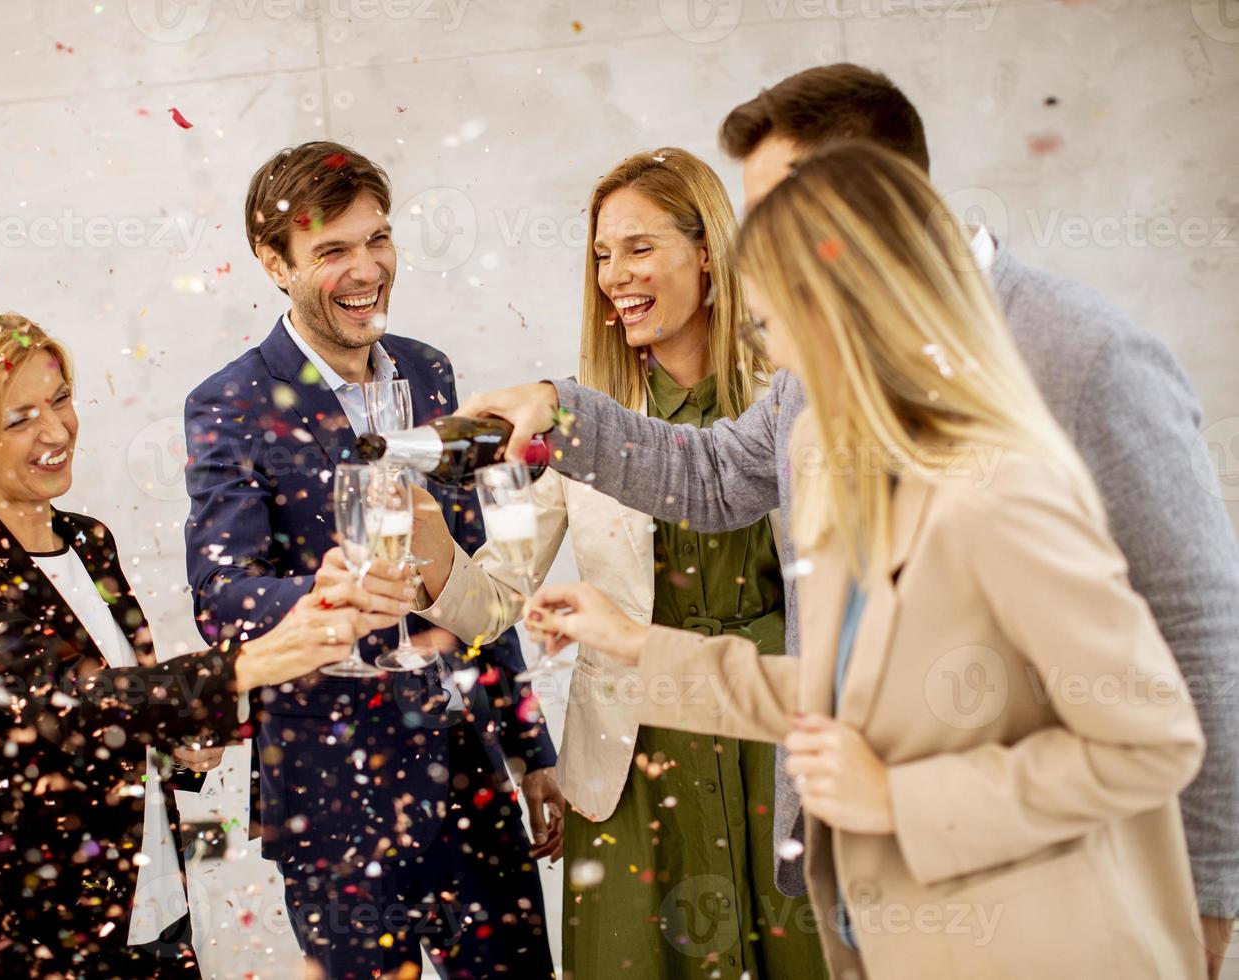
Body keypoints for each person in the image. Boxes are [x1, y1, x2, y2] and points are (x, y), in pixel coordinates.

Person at [458, 63, 1239, 976]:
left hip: (1043, 915)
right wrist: (632, 633)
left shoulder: (1080, 365)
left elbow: (1191, 645)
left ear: (874, 207)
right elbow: (822, 654)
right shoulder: (818, 421)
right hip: (887, 916)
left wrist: (1210, 904)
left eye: (787, 218)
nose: (760, 260)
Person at [405, 147, 824, 978]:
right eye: (601, 255)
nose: (613, 276)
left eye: (638, 248)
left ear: (708, 250)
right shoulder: (572, 417)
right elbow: (493, 601)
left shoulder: (792, 393)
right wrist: (428, 544)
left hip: (776, 736)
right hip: (633, 766)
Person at [0, 312, 401, 977]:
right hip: (29, 933)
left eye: (59, 400)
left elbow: (130, 716)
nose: (55, 431)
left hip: (148, 909)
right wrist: (246, 665)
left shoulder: (90, 542)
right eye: (18, 419)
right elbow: (65, 711)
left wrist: (188, 754)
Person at [182, 141, 562, 979]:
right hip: (329, 790)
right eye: (332, 251)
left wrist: (530, 749)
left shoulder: (430, 372)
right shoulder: (229, 403)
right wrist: (318, 594)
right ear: (273, 263)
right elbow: (220, 594)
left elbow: (473, 571)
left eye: (377, 239)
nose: (367, 269)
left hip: (465, 768)